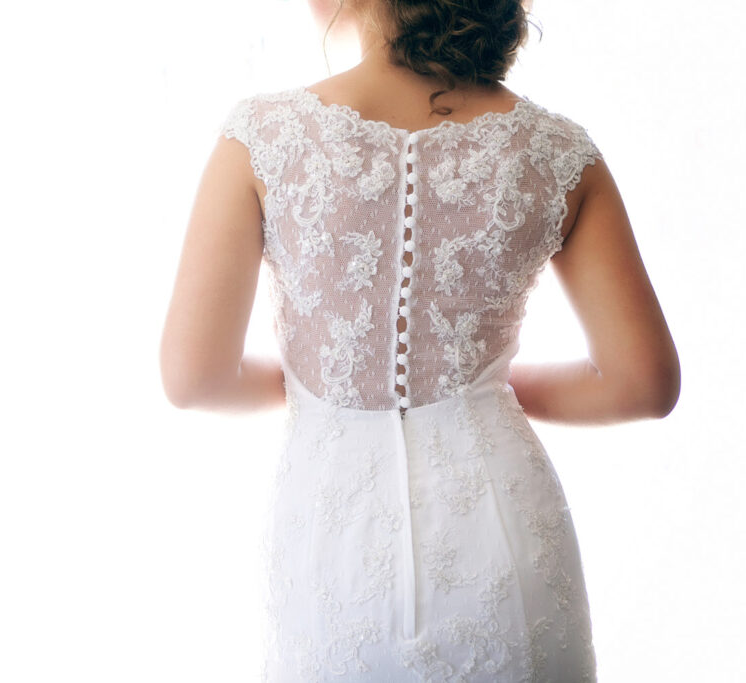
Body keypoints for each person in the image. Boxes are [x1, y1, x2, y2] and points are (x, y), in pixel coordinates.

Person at [160, 0, 680, 680]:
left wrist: (323, 385)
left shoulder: (262, 137)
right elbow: (644, 381)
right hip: (503, 533)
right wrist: (478, 391)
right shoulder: (558, 152)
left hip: (334, 548)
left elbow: (193, 376)